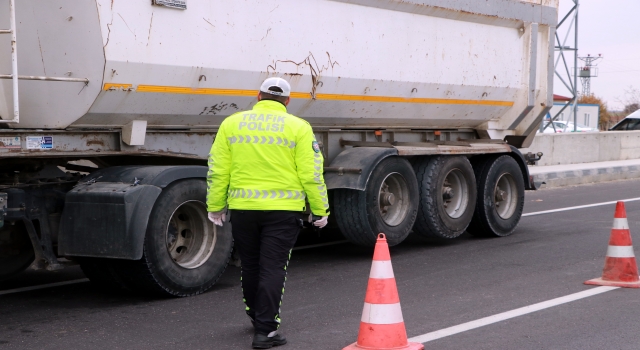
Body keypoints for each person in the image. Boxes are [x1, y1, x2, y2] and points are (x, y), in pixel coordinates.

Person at [206, 77, 330, 349]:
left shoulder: (232, 123)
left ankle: (256, 317)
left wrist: (215, 206)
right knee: (273, 267)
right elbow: (311, 174)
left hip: (243, 210)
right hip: (283, 212)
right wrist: (320, 210)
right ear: (287, 101)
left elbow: (218, 169)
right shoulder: (299, 127)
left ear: (258, 97)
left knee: (250, 265)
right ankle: (266, 330)